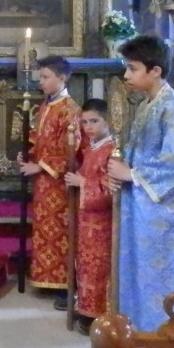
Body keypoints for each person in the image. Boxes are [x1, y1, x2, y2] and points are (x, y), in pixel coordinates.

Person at [107, 34, 174, 332]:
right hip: (144, 206)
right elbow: (137, 155)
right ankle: (139, 328)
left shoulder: (173, 108)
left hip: (166, 215)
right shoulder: (149, 104)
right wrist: (119, 172)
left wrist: (131, 174)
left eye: (133, 68)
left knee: (164, 277)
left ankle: (165, 333)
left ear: (155, 71)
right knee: (140, 271)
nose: (126, 75)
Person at [19, 55, 80, 309]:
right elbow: (39, 136)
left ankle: (65, 283)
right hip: (44, 184)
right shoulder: (47, 105)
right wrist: (28, 152)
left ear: (61, 78)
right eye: (40, 77)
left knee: (60, 232)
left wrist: (40, 165)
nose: (40, 81)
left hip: (59, 184)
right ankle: (46, 277)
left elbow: (70, 148)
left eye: (45, 77)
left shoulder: (70, 109)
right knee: (44, 229)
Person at [64, 98, 114, 335]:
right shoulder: (91, 148)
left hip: (102, 225)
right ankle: (85, 309)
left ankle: (98, 314)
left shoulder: (111, 151)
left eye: (94, 121)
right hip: (86, 223)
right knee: (84, 268)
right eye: (84, 122)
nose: (88, 127)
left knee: (98, 270)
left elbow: (110, 190)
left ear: (107, 121)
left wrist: (82, 182)